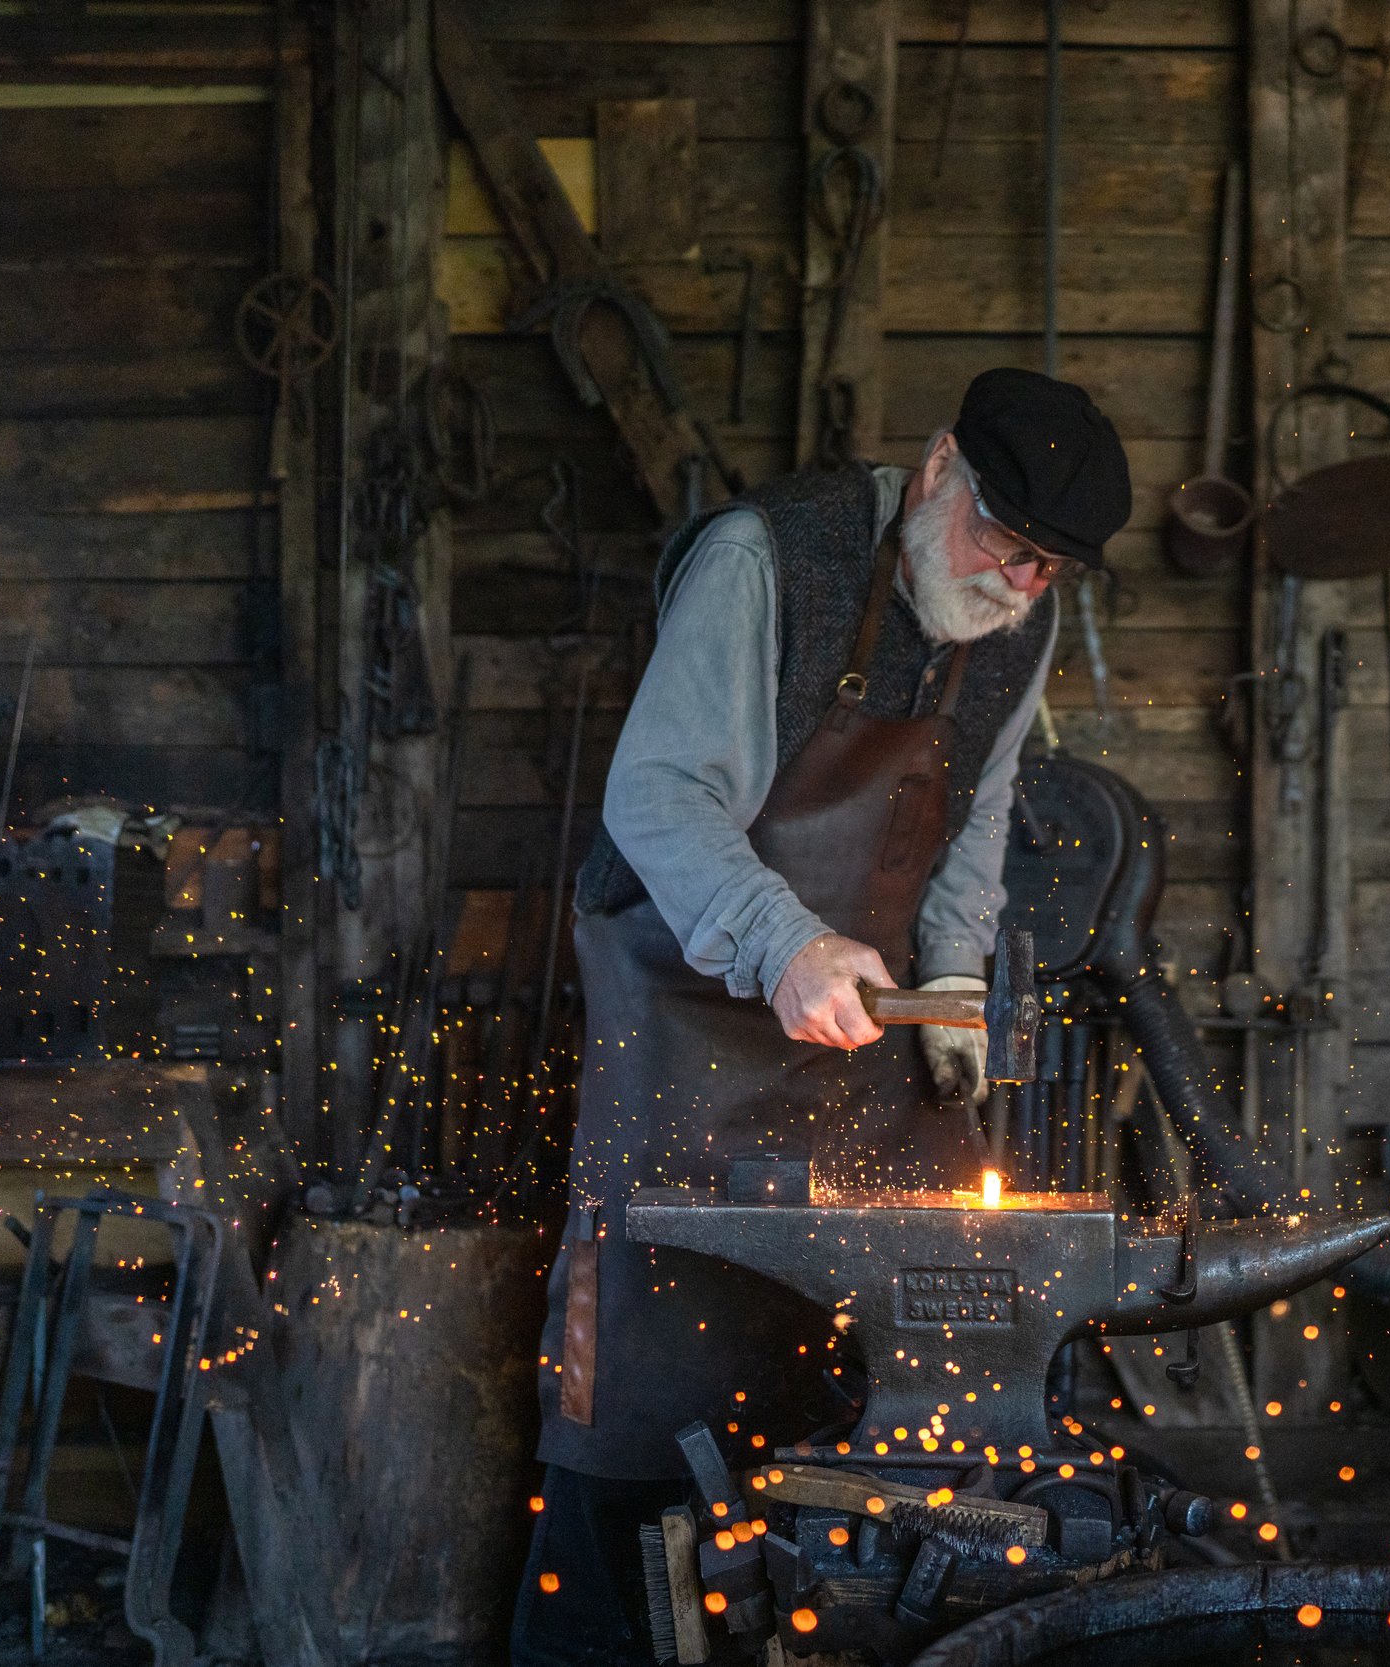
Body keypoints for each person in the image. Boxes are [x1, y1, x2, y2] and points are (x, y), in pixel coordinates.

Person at [511, 369, 1131, 1666]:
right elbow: (660, 796)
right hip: (687, 1032)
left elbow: (978, 815)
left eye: (1049, 569)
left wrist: (953, 979)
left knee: (896, 1414)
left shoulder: (1019, 619)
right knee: (642, 1400)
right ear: (938, 466)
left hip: (867, 1051)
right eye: (1003, 546)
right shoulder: (766, 562)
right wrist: (782, 941)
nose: (1018, 587)